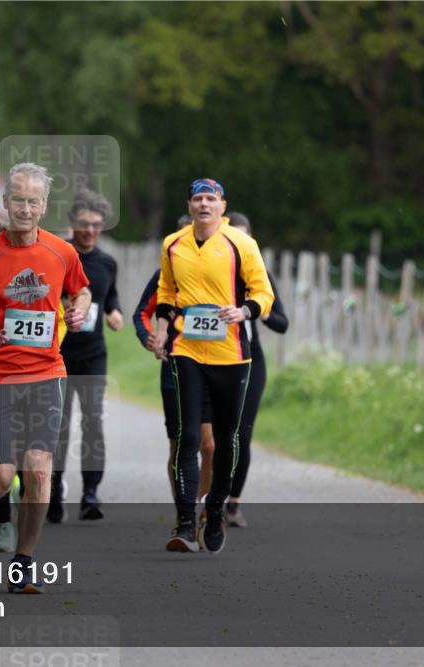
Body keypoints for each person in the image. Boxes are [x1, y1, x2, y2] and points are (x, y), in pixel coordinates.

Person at [0, 162, 91, 593]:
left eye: (34, 201)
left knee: (38, 470)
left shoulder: (62, 252)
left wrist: (82, 307)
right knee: (0, 475)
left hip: (46, 374)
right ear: (6, 202)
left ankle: (24, 560)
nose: (26, 208)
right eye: (18, 199)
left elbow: (81, 289)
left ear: (44, 205)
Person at [152, 178, 274, 554]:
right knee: (188, 437)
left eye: (211, 199)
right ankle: (186, 523)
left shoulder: (242, 244)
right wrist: (161, 327)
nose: (204, 205)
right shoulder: (173, 244)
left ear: (222, 205)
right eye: (198, 199)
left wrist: (244, 310)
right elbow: (165, 291)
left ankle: (216, 508)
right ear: (189, 206)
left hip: (232, 354)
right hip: (187, 350)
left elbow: (263, 293)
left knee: (225, 439)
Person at [133, 215, 217, 527]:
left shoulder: (222, 272)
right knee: (182, 443)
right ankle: (186, 513)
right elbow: (141, 313)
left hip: (213, 365)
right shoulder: (165, 275)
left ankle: (205, 507)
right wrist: (150, 339)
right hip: (175, 368)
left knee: (209, 444)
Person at [50, 188, 123, 523]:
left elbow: (110, 299)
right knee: (58, 426)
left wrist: (115, 312)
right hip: (58, 355)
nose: (90, 230)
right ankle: (52, 490)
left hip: (94, 355)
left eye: (96, 224)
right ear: (72, 223)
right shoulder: (56, 257)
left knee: (93, 421)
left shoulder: (107, 263)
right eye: (83, 223)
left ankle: (91, 493)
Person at [224, 212, 289, 527]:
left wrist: (259, 311)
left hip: (252, 359)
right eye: (233, 236)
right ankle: (207, 498)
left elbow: (282, 323)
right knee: (213, 435)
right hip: (214, 357)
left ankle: (233, 503)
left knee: (242, 432)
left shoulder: (259, 274)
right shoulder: (212, 271)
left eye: (245, 238)